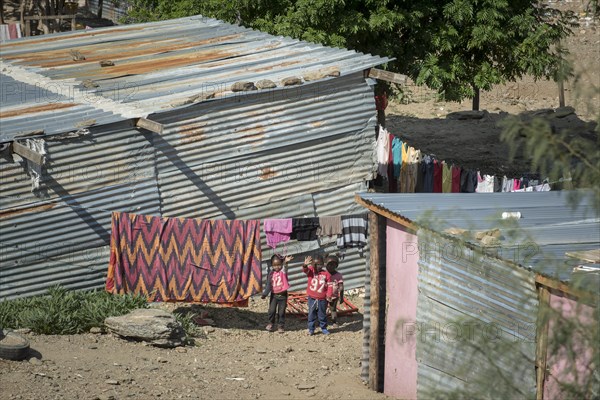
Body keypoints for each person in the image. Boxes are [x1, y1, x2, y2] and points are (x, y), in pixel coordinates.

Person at [261, 254, 293, 333]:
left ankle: (280, 326)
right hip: (274, 296)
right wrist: (265, 294)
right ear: (272, 265)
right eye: (274, 265)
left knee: (281, 312)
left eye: (279, 265)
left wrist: (286, 262)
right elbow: (268, 284)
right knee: (271, 311)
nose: (277, 267)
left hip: (283, 296)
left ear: (281, 264)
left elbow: (285, 267)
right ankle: (271, 323)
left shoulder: (283, 272)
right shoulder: (271, 274)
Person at [303, 255, 330, 335]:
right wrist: (305, 265)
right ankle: (311, 329)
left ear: (323, 264)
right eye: (315, 264)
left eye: (320, 264)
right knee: (311, 314)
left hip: (322, 298)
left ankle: (324, 328)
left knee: (322, 314)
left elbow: (329, 286)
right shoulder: (311, 271)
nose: (317, 266)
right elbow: (305, 270)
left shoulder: (326, 274)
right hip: (312, 298)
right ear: (312, 264)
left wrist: (329, 294)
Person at [325, 254, 344, 328]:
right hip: (324, 295)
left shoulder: (338, 275)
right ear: (325, 264)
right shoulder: (324, 274)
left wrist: (341, 297)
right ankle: (323, 321)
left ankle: (334, 322)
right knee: (323, 309)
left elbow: (341, 287)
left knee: (333, 309)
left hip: (334, 296)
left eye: (333, 265)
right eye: (329, 265)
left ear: (336, 266)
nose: (331, 266)